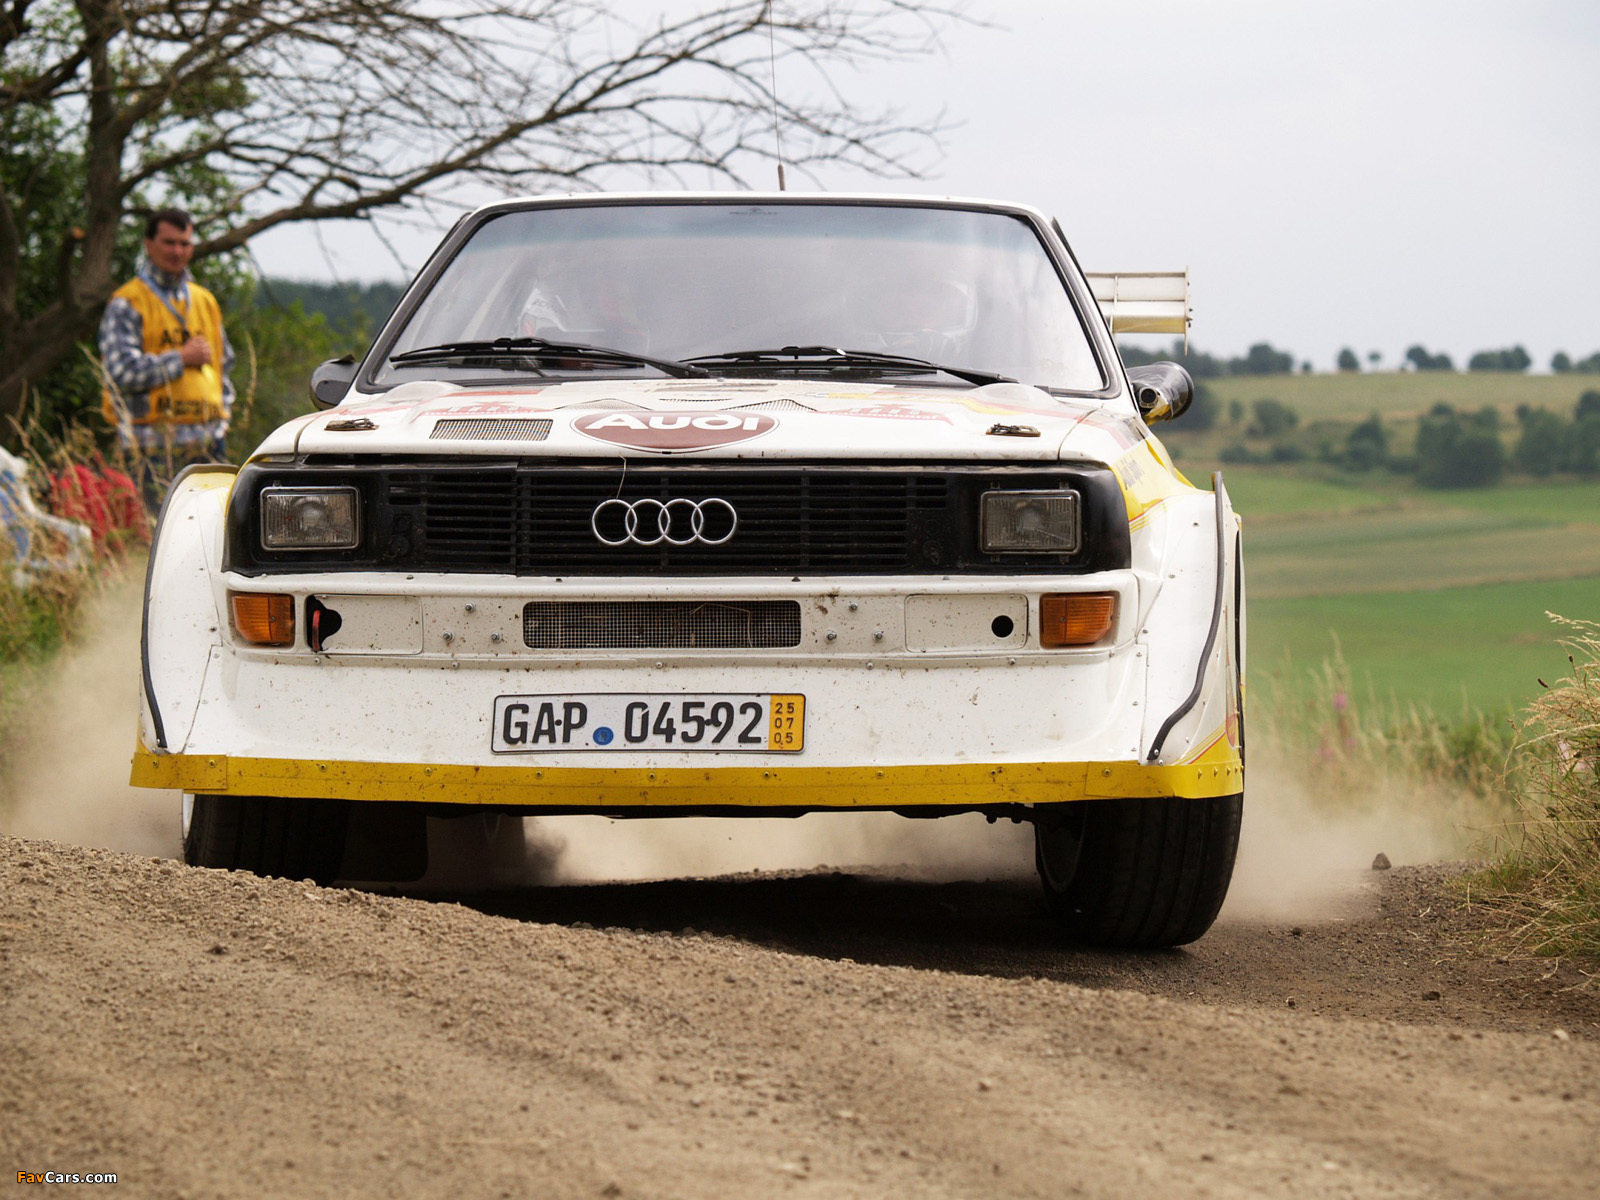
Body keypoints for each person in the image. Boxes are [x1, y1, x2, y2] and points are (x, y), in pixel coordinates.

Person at [98, 208, 234, 509]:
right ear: (149, 245)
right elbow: (121, 372)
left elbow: (224, 367)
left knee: (212, 531)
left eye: (184, 243)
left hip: (208, 446)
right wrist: (181, 358)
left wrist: (223, 418)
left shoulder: (204, 300)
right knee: (155, 532)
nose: (177, 251)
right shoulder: (127, 302)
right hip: (151, 449)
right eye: (169, 242)